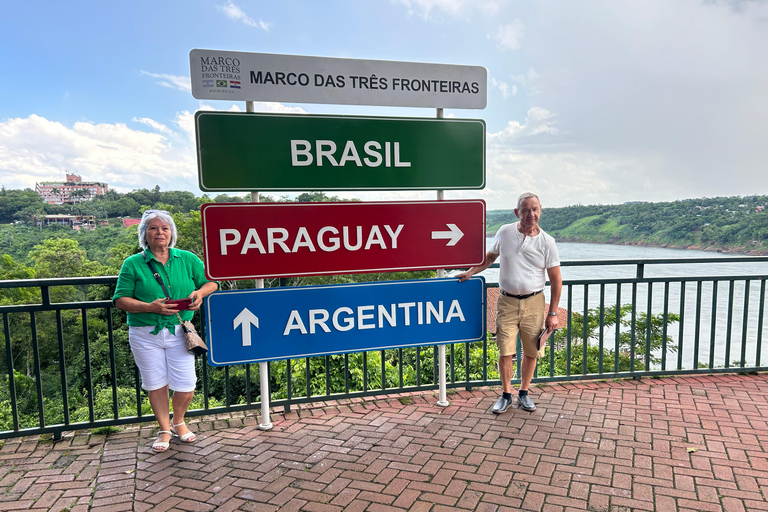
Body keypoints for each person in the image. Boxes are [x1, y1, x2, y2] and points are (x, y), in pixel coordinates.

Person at [113, 210, 218, 452]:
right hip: (144, 332)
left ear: (171, 233)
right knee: (155, 383)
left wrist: (199, 295)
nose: (160, 232)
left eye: (165, 228)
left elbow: (211, 281)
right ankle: (163, 429)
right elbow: (120, 299)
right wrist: (149, 307)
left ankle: (178, 421)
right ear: (144, 235)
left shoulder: (187, 259)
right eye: (153, 228)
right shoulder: (133, 263)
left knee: (186, 383)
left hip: (180, 331)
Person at [457, 193, 562, 413]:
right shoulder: (505, 232)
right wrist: (469, 273)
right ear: (517, 212)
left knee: (531, 351)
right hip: (507, 301)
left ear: (540, 211)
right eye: (525, 210)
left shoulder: (547, 242)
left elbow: (556, 280)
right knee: (505, 350)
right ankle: (506, 394)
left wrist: (552, 313)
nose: (531, 214)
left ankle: (524, 393)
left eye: (535, 209)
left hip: (534, 302)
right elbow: (489, 257)